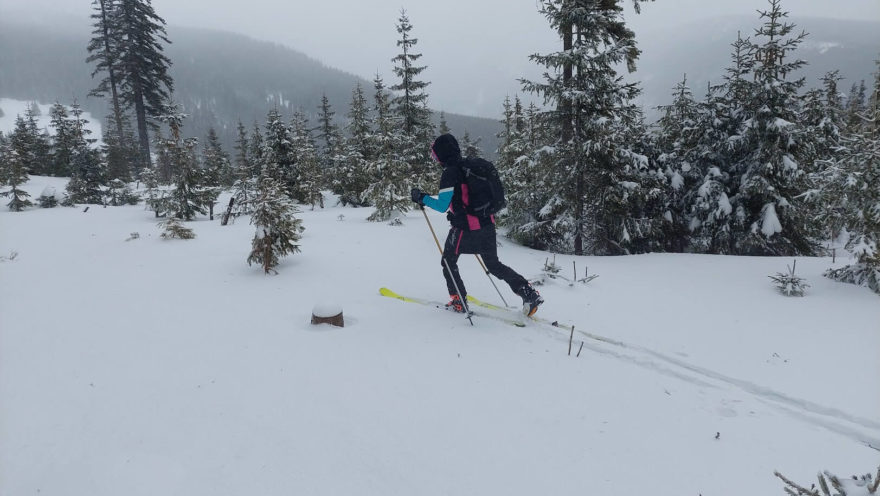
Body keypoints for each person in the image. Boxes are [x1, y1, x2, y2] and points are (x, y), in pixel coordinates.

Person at [410, 133, 544, 316]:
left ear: (442, 154)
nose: (435, 160)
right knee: (494, 264)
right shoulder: (470, 166)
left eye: (435, 156)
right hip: (487, 224)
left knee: (448, 261)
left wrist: (421, 198)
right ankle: (528, 292)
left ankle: (458, 300)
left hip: (466, 228)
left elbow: (442, 206)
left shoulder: (451, 172)